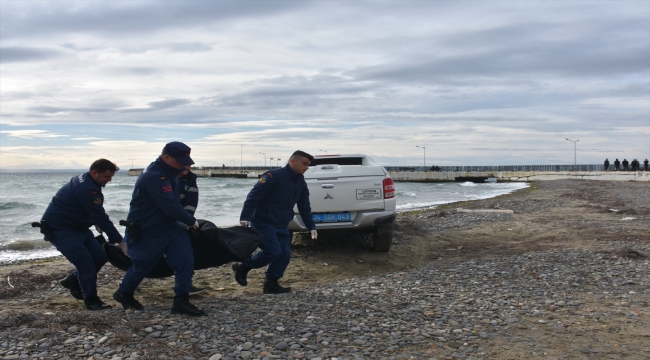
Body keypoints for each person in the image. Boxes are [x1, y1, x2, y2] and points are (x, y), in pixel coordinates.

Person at [113, 141, 205, 316]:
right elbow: (169, 205)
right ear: (166, 157)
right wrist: (191, 221)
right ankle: (123, 293)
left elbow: (176, 201)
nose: (183, 165)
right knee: (142, 266)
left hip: (171, 227)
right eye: (179, 161)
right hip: (148, 229)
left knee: (185, 260)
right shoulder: (155, 176)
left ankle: (181, 301)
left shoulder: (169, 172)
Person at [40, 159, 123, 310]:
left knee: (99, 257)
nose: (109, 180)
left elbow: (91, 210)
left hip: (78, 227)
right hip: (60, 230)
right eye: (106, 177)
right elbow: (99, 215)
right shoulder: (86, 189)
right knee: (86, 265)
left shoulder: (87, 181)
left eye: (111, 177)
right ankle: (91, 300)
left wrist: (95, 220)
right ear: (94, 173)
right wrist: (119, 240)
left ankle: (73, 280)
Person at [232, 150, 317, 294]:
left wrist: (311, 226)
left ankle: (270, 284)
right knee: (272, 251)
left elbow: (304, 205)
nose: (306, 167)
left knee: (284, 255)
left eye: (308, 165)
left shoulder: (300, 182)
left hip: (282, 224)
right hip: (263, 222)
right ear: (292, 161)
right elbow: (253, 197)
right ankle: (243, 266)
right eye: (304, 164)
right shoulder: (273, 176)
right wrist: (245, 217)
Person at [177, 168, 205, 295]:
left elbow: (191, 203)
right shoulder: (160, 178)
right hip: (159, 224)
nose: (185, 172)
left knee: (185, 255)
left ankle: (185, 288)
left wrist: (187, 220)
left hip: (181, 223)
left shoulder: (190, 180)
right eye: (183, 169)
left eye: (188, 169)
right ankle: (128, 287)